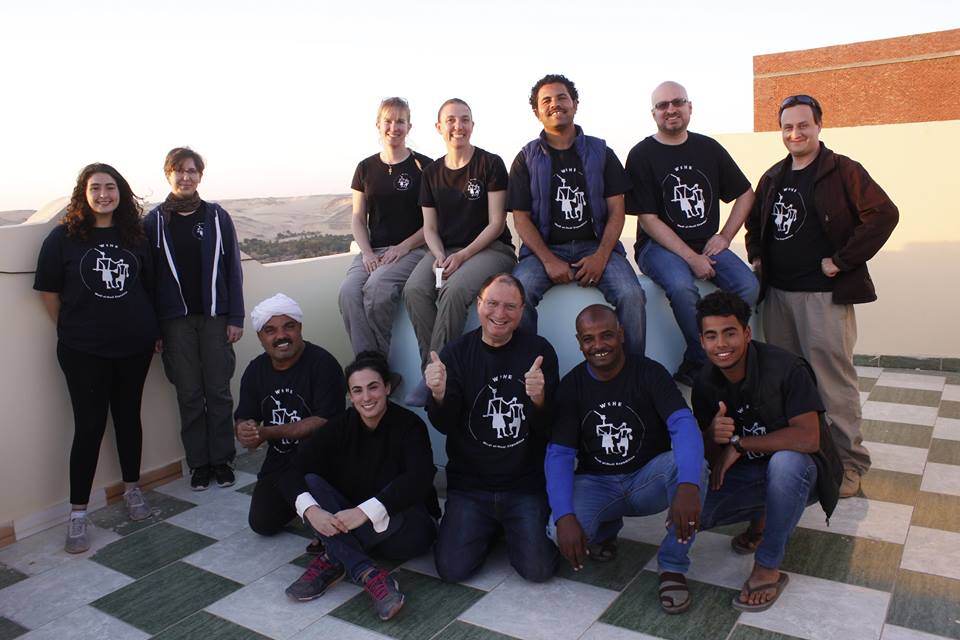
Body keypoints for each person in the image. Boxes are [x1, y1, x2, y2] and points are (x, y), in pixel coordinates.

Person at [745, 95, 898, 497]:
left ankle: (849, 464)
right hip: (777, 297)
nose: (795, 133)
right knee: (785, 383)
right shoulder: (773, 176)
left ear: (818, 126)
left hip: (824, 298)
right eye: (787, 127)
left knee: (833, 385)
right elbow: (755, 224)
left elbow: (884, 214)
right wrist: (757, 257)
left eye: (803, 125)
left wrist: (844, 260)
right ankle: (798, 456)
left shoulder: (843, 170)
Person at [546, 304, 706, 614]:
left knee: (693, 467)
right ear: (579, 342)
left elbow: (683, 424)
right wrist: (563, 515)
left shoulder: (650, 372)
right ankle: (606, 531)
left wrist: (688, 484)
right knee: (556, 531)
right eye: (589, 339)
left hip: (647, 479)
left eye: (607, 335)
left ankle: (672, 566)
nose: (598, 345)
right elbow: (560, 455)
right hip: (598, 484)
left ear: (621, 334)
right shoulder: (572, 386)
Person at [35, 163, 159, 553]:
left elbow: (149, 286)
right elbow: (49, 292)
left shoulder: (136, 236)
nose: (103, 194)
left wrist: (152, 331)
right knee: (89, 427)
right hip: (83, 350)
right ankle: (77, 514)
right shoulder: (63, 238)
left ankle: (132, 490)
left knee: (128, 417)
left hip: (134, 346)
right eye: (95, 188)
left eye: (110, 187)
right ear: (83, 194)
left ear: (121, 192)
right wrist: (71, 330)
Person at [692, 290, 842, 611]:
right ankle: (761, 522)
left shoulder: (785, 367)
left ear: (747, 333)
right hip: (753, 473)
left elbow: (808, 439)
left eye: (730, 333)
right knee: (693, 511)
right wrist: (711, 435)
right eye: (711, 336)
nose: (721, 344)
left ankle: (768, 565)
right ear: (702, 341)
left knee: (785, 463)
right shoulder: (704, 381)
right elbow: (711, 459)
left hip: (804, 471)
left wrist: (740, 445)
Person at [281, 351, 440, 621]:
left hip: (406, 530)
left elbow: (419, 478)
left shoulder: (410, 426)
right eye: (357, 390)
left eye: (373, 387)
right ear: (350, 396)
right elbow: (289, 470)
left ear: (387, 388)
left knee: (400, 501)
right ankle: (367, 572)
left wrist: (364, 512)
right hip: (358, 526)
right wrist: (311, 512)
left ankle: (335, 555)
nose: (366, 397)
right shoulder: (339, 426)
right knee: (311, 483)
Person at [426, 274, 559, 582]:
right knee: (451, 570)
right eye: (492, 303)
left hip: (524, 486)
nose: (500, 314)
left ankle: (506, 528)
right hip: (470, 487)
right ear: (479, 305)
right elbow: (443, 425)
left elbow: (549, 427)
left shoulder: (539, 352)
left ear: (522, 311)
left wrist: (539, 399)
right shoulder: (456, 353)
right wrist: (439, 395)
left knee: (538, 570)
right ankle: (490, 528)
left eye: (510, 306)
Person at [625, 81, 759, 385]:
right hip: (658, 247)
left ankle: (709, 357)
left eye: (677, 102)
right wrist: (691, 258)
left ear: (689, 107)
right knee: (681, 286)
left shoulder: (708, 148)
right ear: (653, 113)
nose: (671, 109)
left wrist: (725, 236)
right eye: (662, 105)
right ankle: (703, 360)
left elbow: (746, 194)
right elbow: (648, 219)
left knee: (747, 286)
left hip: (706, 243)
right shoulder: (642, 154)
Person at [509, 74, 646, 355]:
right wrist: (548, 260)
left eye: (562, 97)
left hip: (597, 247)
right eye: (546, 100)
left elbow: (617, 210)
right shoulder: (526, 158)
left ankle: (634, 372)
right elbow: (521, 218)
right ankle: (526, 371)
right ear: (537, 112)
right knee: (517, 292)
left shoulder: (602, 152)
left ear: (575, 104)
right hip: (544, 252)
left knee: (631, 294)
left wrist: (601, 257)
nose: (555, 104)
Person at [403, 98, 517, 406]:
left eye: (465, 119)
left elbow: (496, 223)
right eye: (451, 120)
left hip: (491, 249)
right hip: (446, 249)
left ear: (472, 125)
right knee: (414, 289)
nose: (458, 126)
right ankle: (435, 371)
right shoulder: (431, 173)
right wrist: (439, 254)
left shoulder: (490, 163)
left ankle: (435, 374)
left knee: (453, 290)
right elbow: (429, 228)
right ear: (439, 127)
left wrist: (463, 255)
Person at [144, 147, 244, 491]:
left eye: (192, 171)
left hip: (215, 317)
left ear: (200, 176)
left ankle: (222, 460)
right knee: (188, 394)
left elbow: (232, 268)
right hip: (175, 322)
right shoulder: (154, 222)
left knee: (218, 391)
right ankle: (199, 464)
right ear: (168, 174)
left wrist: (236, 316)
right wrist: (154, 328)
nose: (185, 177)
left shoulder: (216, 217)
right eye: (179, 170)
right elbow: (149, 279)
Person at [234, 294, 346, 538]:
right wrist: (245, 430)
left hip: (324, 461)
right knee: (262, 523)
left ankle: (315, 504)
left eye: (289, 326)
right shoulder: (255, 370)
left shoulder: (323, 364)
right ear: (260, 337)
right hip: (281, 461)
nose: (281, 336)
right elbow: (244, 417)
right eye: (270, 330)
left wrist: (267, 432)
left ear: (300, 328)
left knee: (334, 512)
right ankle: (303, 505)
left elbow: (324, 421)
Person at [339, 97, 432, 359]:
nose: (394, 127)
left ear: (409, 126)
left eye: (400, 121)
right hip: (374, 250)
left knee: (377, 288)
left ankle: (378, 364)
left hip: (413, 249)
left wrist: (403, 247)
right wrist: (367, 253)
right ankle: (368, 363)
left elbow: (434, 222)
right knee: (348, 292)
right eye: (388, 121)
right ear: (378, 125)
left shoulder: (425, 166)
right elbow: (358, 218)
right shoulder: (365, 168)